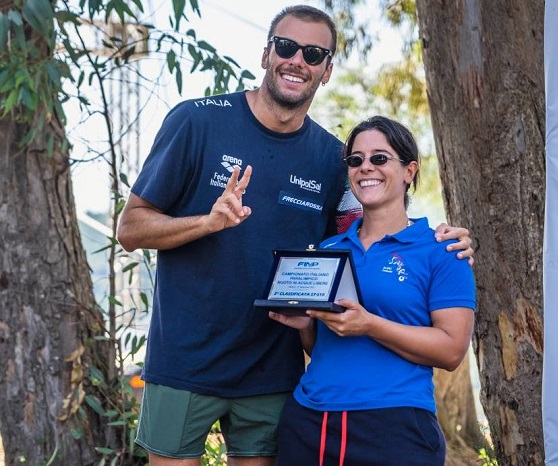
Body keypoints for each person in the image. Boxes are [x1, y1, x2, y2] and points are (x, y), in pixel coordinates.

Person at [116, 6, 474, 466]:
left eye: (313, 53)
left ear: (326, 71)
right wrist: (205, 223)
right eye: (286, 47)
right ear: (266, 53)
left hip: (275, 371)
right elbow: (130, 229)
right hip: (187, 363)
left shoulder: (333, 159)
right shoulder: (197, 121)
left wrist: (449, 238)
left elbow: (369, 239)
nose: (297, 60)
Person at [270, 116, 476, 466]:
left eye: (380, 158)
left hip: (394, 427)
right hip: (309, 423)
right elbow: (324, 344)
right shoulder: (329, 249)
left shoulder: (443, 250)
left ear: (409, 171)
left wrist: (370, 325)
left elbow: (452, 351)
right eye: (356, 160)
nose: (366, 167)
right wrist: (306, 326)